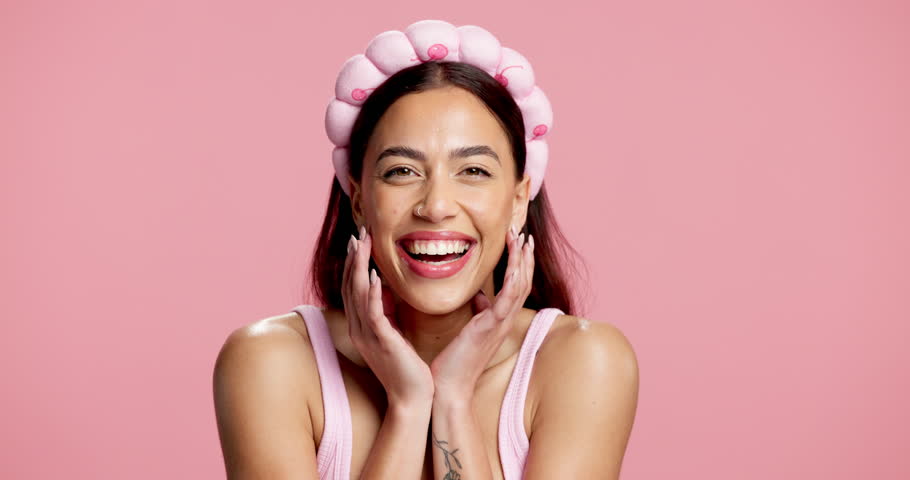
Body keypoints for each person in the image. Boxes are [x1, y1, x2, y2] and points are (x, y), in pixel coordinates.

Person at [213, 20, 639, 480]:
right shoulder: (271, 362)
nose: (436, 206)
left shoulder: (584, 361)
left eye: (473, 171)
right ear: (358, 201)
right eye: (401, 171)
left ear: (519, 201)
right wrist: (410, 403)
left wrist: (452, 396)